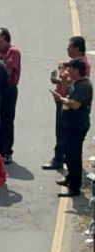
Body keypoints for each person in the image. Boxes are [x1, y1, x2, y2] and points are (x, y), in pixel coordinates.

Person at [44, 36, 90, 170]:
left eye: (69, 47)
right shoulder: (77, 62)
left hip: (68, 104)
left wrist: (58, 80)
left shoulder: (81, 67)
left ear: (77, 49)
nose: (67, 50)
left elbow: (72, 83)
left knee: (62, 132)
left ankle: (59, 158)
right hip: (65, 100)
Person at [52, 58, 93, 197]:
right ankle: (70, 178)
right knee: (69, 154)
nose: (68, 71)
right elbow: (66, 93)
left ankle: (75, 186)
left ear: (77, 70)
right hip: (70, 124)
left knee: (74, 155)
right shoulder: (76, 82)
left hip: (77, 126)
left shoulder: (84, 86)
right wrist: (63, 81)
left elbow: (75, 104)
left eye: (70, 69)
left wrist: (61, 99)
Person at [0, 27, 20, 164]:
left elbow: (7, 70)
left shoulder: (13, 52)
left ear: (3, 37)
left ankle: (7, 151)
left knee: (7, 120)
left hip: (8, 90)